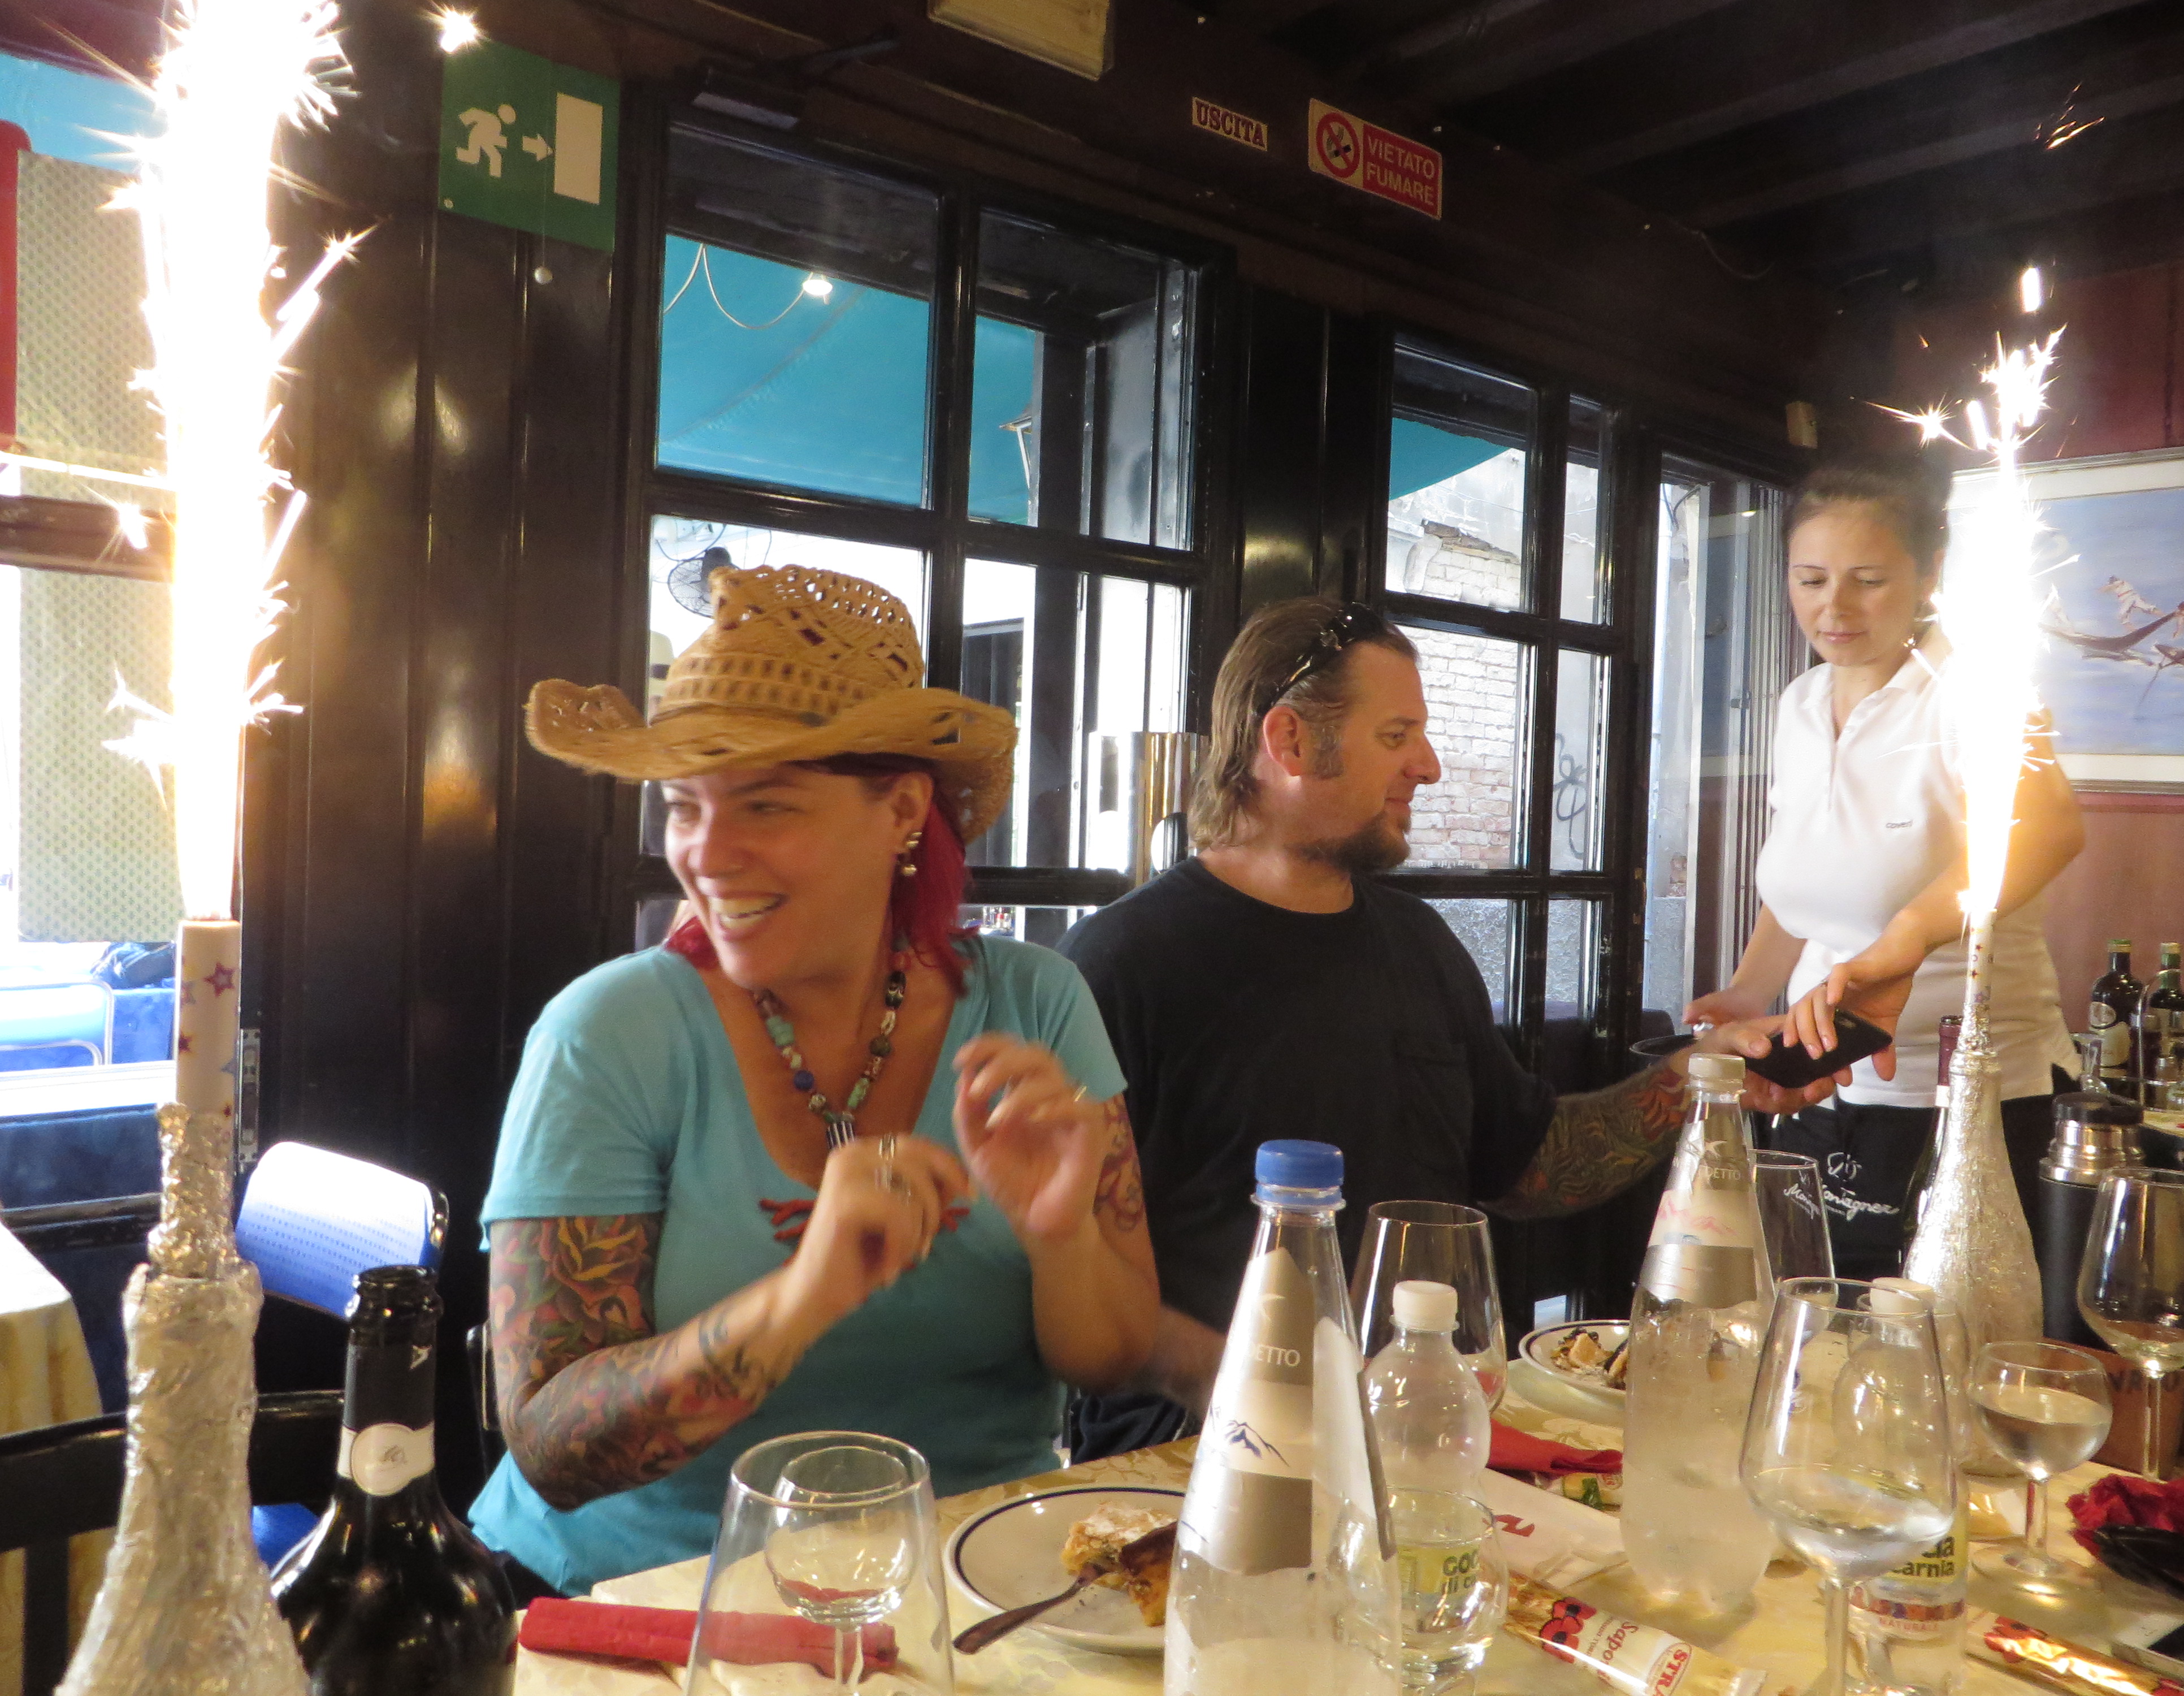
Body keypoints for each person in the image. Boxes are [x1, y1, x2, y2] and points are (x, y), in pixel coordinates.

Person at [471, 565, 1158, 1596]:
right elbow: (551, 1448)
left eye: (766, 804)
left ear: (903, 810)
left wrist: (1062, 1238)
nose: (707, 855)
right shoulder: (609, 1032)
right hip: (638, 1603)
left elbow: (1113, 1358)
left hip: (973, 1593)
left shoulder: (1038, 1003)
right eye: (685, 807)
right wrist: (802, 1298)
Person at [1059, 596, 1837, 1458]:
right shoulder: (1122, 965)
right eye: (1396, 736)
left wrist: (1698, 1078)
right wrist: (1260, 1393)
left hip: (1419, 1434)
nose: (1428, 767)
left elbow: (1529, 1164)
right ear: (1289, 742)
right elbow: (1064, 1277)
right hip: (1192, 1458)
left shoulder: (1418, 943)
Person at [1686, 456, 2086, 1280]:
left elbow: (2047, 831)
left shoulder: (1976, 687)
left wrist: (1905, 938)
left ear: (1928, 576)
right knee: (1807, 1310)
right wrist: (1752, 989)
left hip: (1969, 1100)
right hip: (1824, 1080)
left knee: (1947, 1332)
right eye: (1811, 580)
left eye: (1867, 581)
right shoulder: (1800, 705)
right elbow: (1806, 876)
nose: (1834, 607)